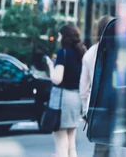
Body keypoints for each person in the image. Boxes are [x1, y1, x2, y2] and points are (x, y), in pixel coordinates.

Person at [45, 24, 87, 157]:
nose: (58, 39)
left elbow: (57, 79)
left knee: (61, 142)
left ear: (64, 37)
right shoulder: (80, 53)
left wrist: (51, 66)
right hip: (76, 99)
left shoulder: (62, 53)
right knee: (71, 144)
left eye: (59, 36)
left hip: (63, 101)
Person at [80, 15, 114, 157]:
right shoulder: (119, 52)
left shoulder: (89, 53)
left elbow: (83, 88)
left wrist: (85, 110)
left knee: (101, 147)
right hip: (115, 106)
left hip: (96, 107)